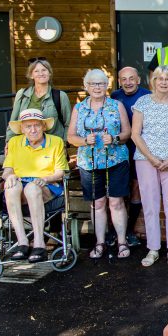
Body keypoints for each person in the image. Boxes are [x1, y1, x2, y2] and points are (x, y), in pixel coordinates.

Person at [68, 69, 131, 259]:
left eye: (101, 84)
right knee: (98, 203)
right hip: (90, 162)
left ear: (107, 86)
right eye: (93, 84)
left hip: (116, 159)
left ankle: (121, 242)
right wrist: (84, 140)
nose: (97, 87)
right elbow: (71, 137)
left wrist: (114, 137)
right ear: (86, 86)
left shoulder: (116, 105)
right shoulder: (79, 108)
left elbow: (127, 133)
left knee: (116, 202)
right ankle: (100, 242)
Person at [132, 65, 168, 267]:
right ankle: (153, 248)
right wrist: (152, 158)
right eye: (159, 78)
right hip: (146, 159)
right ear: (153, 81)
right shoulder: (142, 103)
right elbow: (135, 134)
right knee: (150, 205)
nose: (163, 82)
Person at [2, 109, 68, 263]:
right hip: (21, 186)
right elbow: (7, 170)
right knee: (11, 187)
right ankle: (23, 242)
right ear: (22, 129)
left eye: (37, 125)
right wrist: (10, 176)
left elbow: (61, 173)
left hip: (47, 185)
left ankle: (39, 243)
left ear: (44, 126)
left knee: (32, 188)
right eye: (28, 126)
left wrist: (45, 178)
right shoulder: (14, 142)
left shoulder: (56, 142)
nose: (33, 130)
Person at [111, 67, 151, 247]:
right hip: (118, 149)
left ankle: (130, 230)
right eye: (124, 79)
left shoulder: (147, 96)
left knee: (136, 188)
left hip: (139, 148)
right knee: (118, 191)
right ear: (119, 81)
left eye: (131, 79)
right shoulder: (114, 96)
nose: (128, 82)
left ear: (138, 79)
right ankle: (115, 231)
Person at [7, 58, 71, 142]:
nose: (41, 73)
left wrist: (64, 143)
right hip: (26, 145)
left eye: (44, 70)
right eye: (36, 71)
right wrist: (8, 142)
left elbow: (68, 123)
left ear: (50, 73)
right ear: (31, 75)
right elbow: (13, 121)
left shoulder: (60, 96)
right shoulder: (22, 94)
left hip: (52, 145)